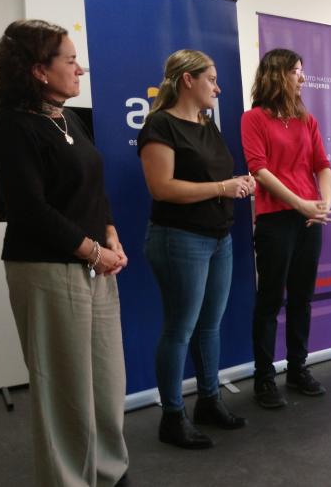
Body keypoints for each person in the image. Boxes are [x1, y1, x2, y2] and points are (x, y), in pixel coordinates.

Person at [0, 19, 129, 486]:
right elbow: (29, 210)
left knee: (106, 384)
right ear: (38, 70)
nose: (80, 69)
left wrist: (110, 235)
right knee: (64, 391)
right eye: (69, 60)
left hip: (95, 266)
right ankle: (70, 480)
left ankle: (109, 472)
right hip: (47, 270)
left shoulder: (68, 118)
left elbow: (93, 187)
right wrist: (92, 251)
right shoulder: (12, 128)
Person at [138, 50, 254, 448]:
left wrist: (238, 182)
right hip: (179, 238)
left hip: (218, 237)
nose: (218, 88)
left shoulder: (206, 125)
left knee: (209, 326)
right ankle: (172, 417)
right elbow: (162, 187)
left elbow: (212, 177)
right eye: (211, 79)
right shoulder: (159, 125)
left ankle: (209, 400)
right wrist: (223, 188)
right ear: (188, 80)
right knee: (180, 329)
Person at [241, 48, 331, 409]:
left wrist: (323, 204)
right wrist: (300, 203)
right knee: (270, 300)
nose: (303, 78)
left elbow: (322, 165)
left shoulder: (306, 120)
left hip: (309, 218)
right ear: (278, 74)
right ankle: (264, 378)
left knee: (302, 297)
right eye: (297, 71)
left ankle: (297, 369)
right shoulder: (254, 118)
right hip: (276, 218)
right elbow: (259, 170)